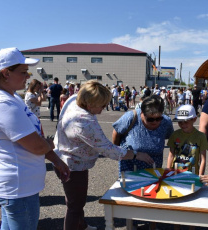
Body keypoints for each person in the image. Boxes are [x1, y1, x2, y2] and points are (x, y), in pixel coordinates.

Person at [0, 47, 70, 230]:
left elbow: (35, 139)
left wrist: (56, 159)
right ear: (5, 73)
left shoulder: (12, 98)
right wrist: (51, 144)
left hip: (19, 186)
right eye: (23, 72)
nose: (28, 76)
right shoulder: (2, 104)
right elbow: (36, 145)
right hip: (18, 188)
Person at [54, 81, 154, 230]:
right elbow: (109, 150)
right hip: (73, 165)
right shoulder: (85, 122)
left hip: (63, 157)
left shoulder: (74, 99)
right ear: (89, 104)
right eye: (101, 106)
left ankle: (81, 225)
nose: (102, 110)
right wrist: (136, 155)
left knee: (75, 201)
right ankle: (76, 225)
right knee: (75, 206)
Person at [112, 95, 174, 173]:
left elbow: (171, 139)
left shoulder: (166, 122)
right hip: (130, 170)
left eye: (158, 118)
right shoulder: (131, 117)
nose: (155, 122)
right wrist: (119, 152)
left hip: (154, 171)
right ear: (142, 113)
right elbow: (116, 132)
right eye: (150, 119)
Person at [167, 104, 208, 175]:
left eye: (186, 122)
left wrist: (200, 176)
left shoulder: (201, 136)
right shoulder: (175, 134)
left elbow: (203, 160)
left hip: (192, 174)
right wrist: (167, 172)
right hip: (175, 173)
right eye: (180, 122)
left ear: (194, 119)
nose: (183, 125)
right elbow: (171, 155)